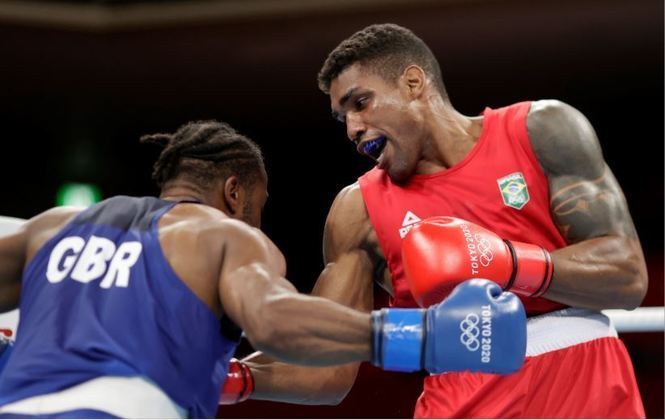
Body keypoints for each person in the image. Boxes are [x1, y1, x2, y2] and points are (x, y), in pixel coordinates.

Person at [222, 24, 648, 418]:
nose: (352, 127)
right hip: (464, 397)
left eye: (360, 102)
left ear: (413, 82)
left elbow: (628, 277)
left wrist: (509, 263)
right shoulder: (359, 210)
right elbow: (329, 368)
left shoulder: (541, 130)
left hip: (587, 380)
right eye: (342, 118)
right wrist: (232, 378)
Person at [0, 120, 527, 418]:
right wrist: (425, 335)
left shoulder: (52, 227)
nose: (258, 221)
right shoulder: (223, 236)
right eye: (259, 205)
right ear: (235, 192)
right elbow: (276, 320)